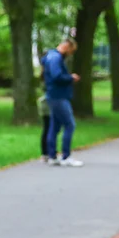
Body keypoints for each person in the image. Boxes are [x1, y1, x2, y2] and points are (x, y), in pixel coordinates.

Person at [43, 37, 83, 167]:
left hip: (53, 95)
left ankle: (52, 156)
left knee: (54, 127)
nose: (70, 54)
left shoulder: (50, 56)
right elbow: (57, 76)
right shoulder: (55, 58)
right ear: (67, 47)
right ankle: (66, 156)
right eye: (71, 51)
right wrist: (70, 77)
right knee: (70, 125)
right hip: (58, 96)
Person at [37, 91, 52, 163]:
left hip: (47, 103)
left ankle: (46, 153)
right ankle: (46, 153)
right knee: (48, 129)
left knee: (48, 129)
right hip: (49, 104)